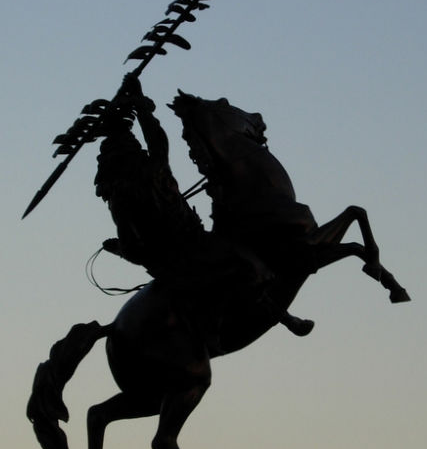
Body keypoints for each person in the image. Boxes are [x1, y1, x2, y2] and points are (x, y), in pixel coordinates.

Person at [93, 75, 313, 337]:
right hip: (185, 250)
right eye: (134, 151)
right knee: (245, 266)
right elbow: (133, 247)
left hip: (184, 243)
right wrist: (141, 108)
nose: (140, 152)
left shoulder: (135, 183)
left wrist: (140, 104)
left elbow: (156, 142)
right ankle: (277, 317)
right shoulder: (137, 185)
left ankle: (282, 316)